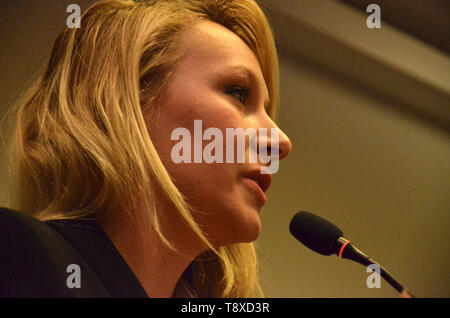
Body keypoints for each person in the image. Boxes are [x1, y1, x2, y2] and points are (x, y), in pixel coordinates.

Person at [0, 0, 292, 298]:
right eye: (239, 93)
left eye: (266, 110)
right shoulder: (16, 259)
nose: (281, 142)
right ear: (128, 103)